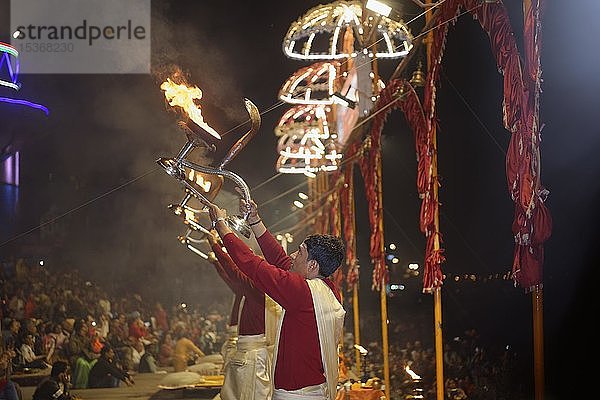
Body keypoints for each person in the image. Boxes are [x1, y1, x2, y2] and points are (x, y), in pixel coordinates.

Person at [208, 200, 346, 400]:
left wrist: (221, 226)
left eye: (299, 252)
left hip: (296, 396)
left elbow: (253, 265)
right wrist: (255, 221)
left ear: (312, 265)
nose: (292, 255)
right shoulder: (328, 290)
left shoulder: (302, 292)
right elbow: (281, 260)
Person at [207, 230, 272, 400]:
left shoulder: (258, 287)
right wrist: (216, 259)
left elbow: (234, 271)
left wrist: (215, 245)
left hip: (252, 357)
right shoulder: (254, 288)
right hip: (249, 354)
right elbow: (233, 276)